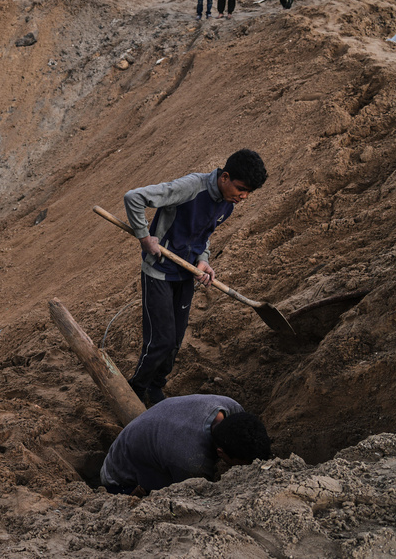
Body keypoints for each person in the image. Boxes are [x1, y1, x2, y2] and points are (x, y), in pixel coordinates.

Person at [124, 149, 268, 408]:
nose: (243, 197)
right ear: (225, 177)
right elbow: (134, 197)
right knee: (161, 340)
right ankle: (135, 389)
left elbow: (203, 234)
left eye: (249, 192)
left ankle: (156, 386)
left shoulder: (228, 201)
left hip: (186, 274)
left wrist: (204, 259)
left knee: (176, 341)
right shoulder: (191, 187)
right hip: (159, 272)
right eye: (241, 189)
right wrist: (144, 237)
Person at [100, 394, 271, 495]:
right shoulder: (191, 462)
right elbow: (196, 495)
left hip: (150, 432)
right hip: (118, 478)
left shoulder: (231, 408)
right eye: (242, 465)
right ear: (220, 452)